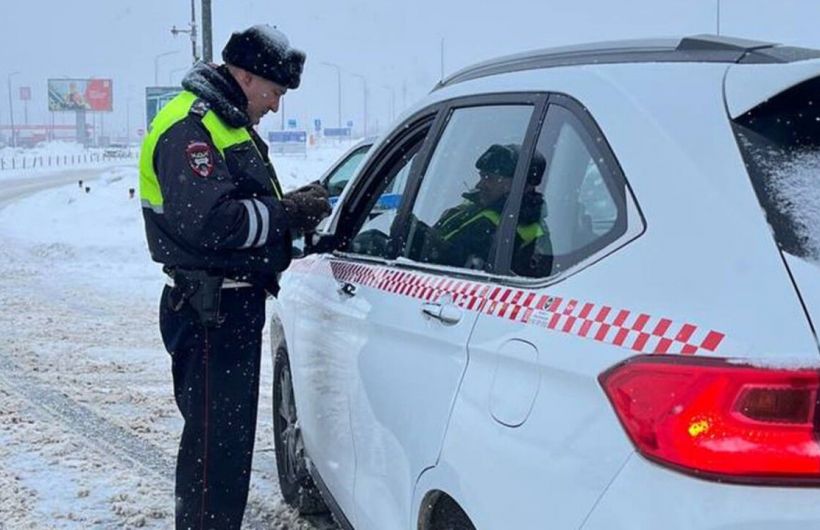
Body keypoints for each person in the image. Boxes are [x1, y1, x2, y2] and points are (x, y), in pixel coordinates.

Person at [139, 24, 330, 529]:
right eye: (273, 93)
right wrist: (287, 213)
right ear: (245, 76)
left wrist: (290, 211)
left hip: (230, 311)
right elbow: (214, 222)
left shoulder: (227, 122)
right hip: (209, 316)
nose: (275, 106)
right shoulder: (191, 128)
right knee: (212, 456)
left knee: (227, 449)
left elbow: (244, 205)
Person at [418, 143, 552, 275]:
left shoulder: (514, 230)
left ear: (519, 185)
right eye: (481, 176)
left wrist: (417, 233)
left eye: (489, 178)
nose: (479, 184)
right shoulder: (475, 209)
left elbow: (447, 261)